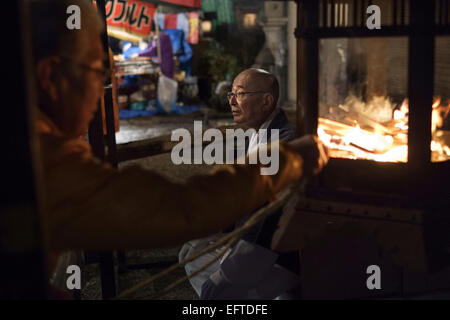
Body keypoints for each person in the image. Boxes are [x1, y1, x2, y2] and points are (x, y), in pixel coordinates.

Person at [30, 0, 327, 290]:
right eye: (96, 72)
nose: (102, 89)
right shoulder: (45, 160)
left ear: (267, 102)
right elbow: (179, 207)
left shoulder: (38, 144)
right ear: (50, 77)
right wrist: (288, 161)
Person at [179, 69, 303, 299]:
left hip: (276, 254)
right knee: (191, 251)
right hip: (252, 242)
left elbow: (268, 216)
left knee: (217, 289)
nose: (232, 101)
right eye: (231, 94)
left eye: (241, 94)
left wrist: (227, 274)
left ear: (267, 101)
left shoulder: (283, 142)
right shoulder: (258, 134)